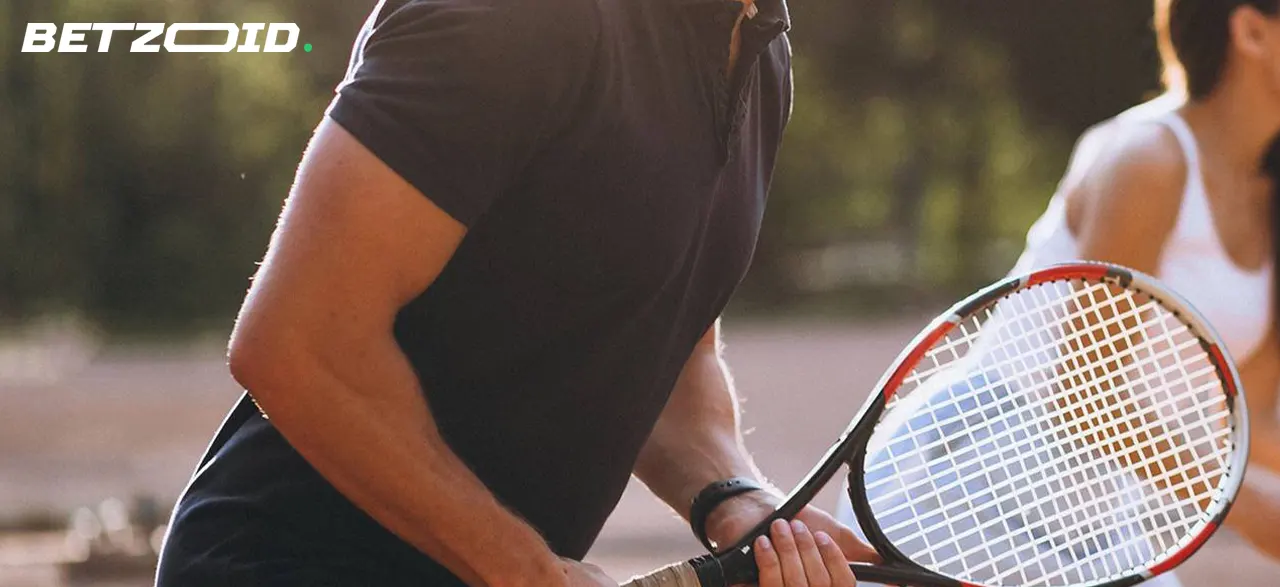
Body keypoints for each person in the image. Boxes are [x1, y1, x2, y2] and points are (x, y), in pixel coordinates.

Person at [153, 0, 872, 585]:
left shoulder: (759, 45)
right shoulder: (511, 17)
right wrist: (527, 570)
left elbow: (662, 341)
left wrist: (736, 497)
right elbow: (294, 343)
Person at [836, 0, 1280, 584]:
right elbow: (1086, 396)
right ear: (1251, 31)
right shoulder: (1148, 160)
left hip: (1100, 524)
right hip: (961, 490)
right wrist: (1244, 505)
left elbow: (1256, 420)